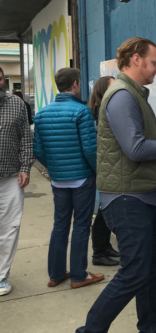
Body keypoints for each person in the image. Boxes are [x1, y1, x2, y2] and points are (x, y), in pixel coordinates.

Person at [77, 37, 156, 333]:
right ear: (135, 59)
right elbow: (135, 149)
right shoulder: (122, 97)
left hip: (141, 196)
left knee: (152, 266)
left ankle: (151, 328)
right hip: (128, 199)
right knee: (134, 271)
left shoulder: (132, 94)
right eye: (154, 62)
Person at [33, 68, 105, 289]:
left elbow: (38, 150)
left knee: (60, 224)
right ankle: (78, 275)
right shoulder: (82, 112)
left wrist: (55, 169)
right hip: (82, 178)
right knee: (81, 225)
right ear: (75, 84)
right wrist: (96, 171)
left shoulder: (41, 114)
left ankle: (55, 274)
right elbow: (90, 149)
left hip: (58, 180)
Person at [0, 66, 34, 296]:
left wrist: (25, 167)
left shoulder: (16, 104)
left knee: (9, 228)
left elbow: (26, 138)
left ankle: (1, 276)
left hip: (11, 177)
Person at [87, 76, 120, 267]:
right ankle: (98, 253)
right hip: (108, 166)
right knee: (104, 211)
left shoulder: (101, 109)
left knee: (105, 209)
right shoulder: (102, 111)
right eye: (112, 86)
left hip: (108, 166)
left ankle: (104, 246)